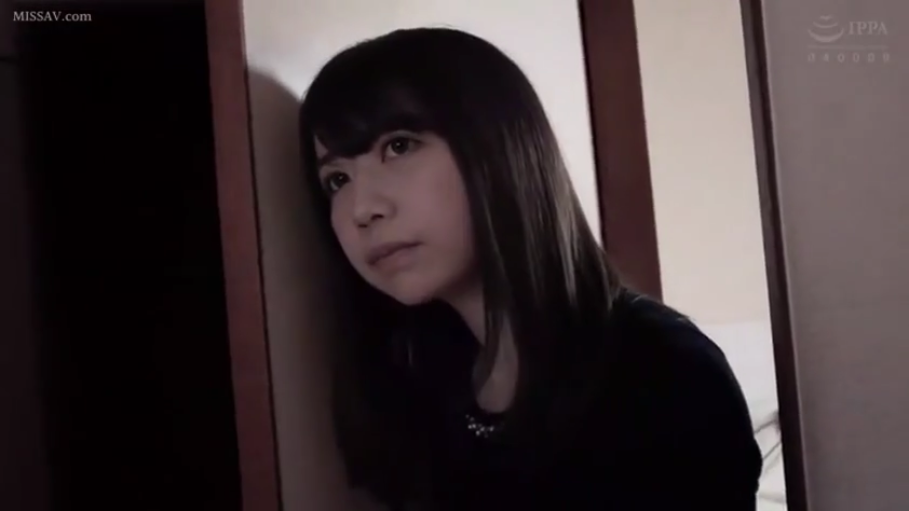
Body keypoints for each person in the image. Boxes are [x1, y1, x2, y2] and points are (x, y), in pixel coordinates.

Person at [297, 27, 762, 510]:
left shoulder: (663, 371)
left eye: (399, 147)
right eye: (337, 179)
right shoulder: (417, 383)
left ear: (498, 148)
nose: (362, 208)